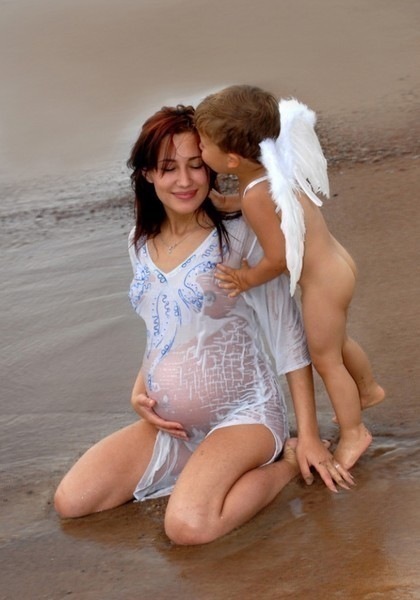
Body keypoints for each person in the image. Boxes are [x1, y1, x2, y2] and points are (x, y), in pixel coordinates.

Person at [54, 105, 352, 546]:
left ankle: (284, 463)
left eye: (196, 165)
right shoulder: (139, 241)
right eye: (168, 168)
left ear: (212, 166)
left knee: (188, 527)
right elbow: (161, 325)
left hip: (243, 415)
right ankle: (198, 470)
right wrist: (140, 387)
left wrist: (307, 436)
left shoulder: (241, 233)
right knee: (73, 501)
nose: (185, 180)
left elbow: (286, 332)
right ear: (147, 174)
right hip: (170, 426)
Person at [195, 85, 385, 470]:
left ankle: (354, 432)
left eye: (203, 144)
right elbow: (270, 201)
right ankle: (367, 389)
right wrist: (230, 201)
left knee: (325, 359)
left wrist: (247, 279)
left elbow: (279, 258)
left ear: (231, 159)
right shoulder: (272, 166)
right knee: (338, 340)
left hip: (321, 284)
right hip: (337, 265)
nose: (199, 149)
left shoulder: (255, 196)